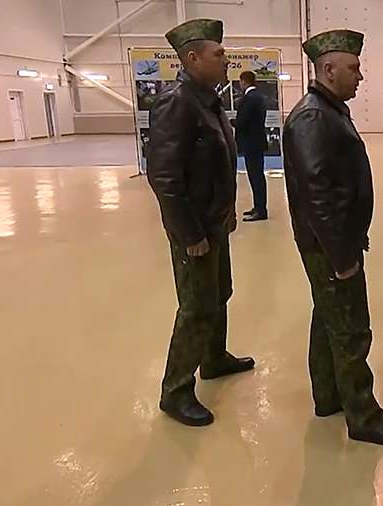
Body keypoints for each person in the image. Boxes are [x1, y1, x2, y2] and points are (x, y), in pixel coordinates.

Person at [282, 29, 383, 447]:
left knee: (328, 318)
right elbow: (317, 194)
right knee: (352, 329)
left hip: (332, 242)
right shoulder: (313, 118)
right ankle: (363, 416)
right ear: (328, 69)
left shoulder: (327, 110)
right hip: (330, 246)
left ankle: (328, 396)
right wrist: (342, 257)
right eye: (354, 68)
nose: (361, 76)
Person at [146, 18, 255, 427]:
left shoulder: (207, 100)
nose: (227, 60)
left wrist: (226, 212)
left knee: (219, 292)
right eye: (219, 54)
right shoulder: (177, 102)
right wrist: (189, 233)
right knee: (196, 307)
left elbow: (218, 162)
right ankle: (175, 391)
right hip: (194, 228)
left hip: (214, 221)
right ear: (192, 58)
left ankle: (213, 358)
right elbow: (165, 178)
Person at [233, 70, 269, 222]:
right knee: (257, 177)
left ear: (244, 81)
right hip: (256, 142)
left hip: (251, 143)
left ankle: (260, 210)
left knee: (256, 177)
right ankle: (258, 206)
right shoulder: (259, 97)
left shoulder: (250, 98)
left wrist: (231, 122)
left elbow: (243, 121)